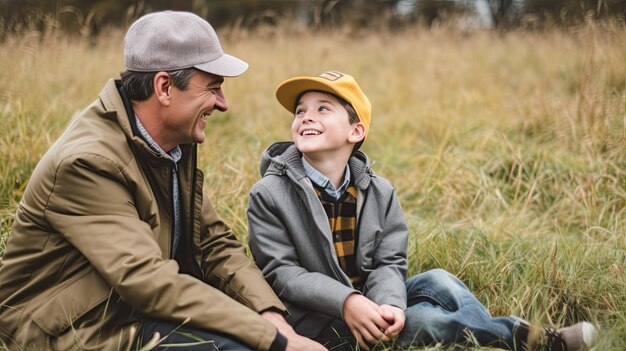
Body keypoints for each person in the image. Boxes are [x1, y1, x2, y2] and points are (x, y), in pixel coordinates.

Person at [0, 11, 326, 351]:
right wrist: (275, 341)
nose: (223, 104)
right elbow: (150, 282)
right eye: (213, 88)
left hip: (132, 310)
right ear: (165, 87)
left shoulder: (168, 143)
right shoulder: (88, 162)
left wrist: (271, 316)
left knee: (307, 326)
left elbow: (215, 245)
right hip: (74, 330)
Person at [246, 70, 599, 351]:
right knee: (428, 322)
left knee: (440, 281)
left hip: (372, 299)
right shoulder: (269, 194)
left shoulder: (379, 192)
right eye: (300, 110)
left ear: (356, 131)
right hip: (320, 321)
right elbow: (284, 274)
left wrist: (392, 306)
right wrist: (347, 302)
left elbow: (389, 263)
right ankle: (527, 338)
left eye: (323, 108)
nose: (306, 116)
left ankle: (478, 333)